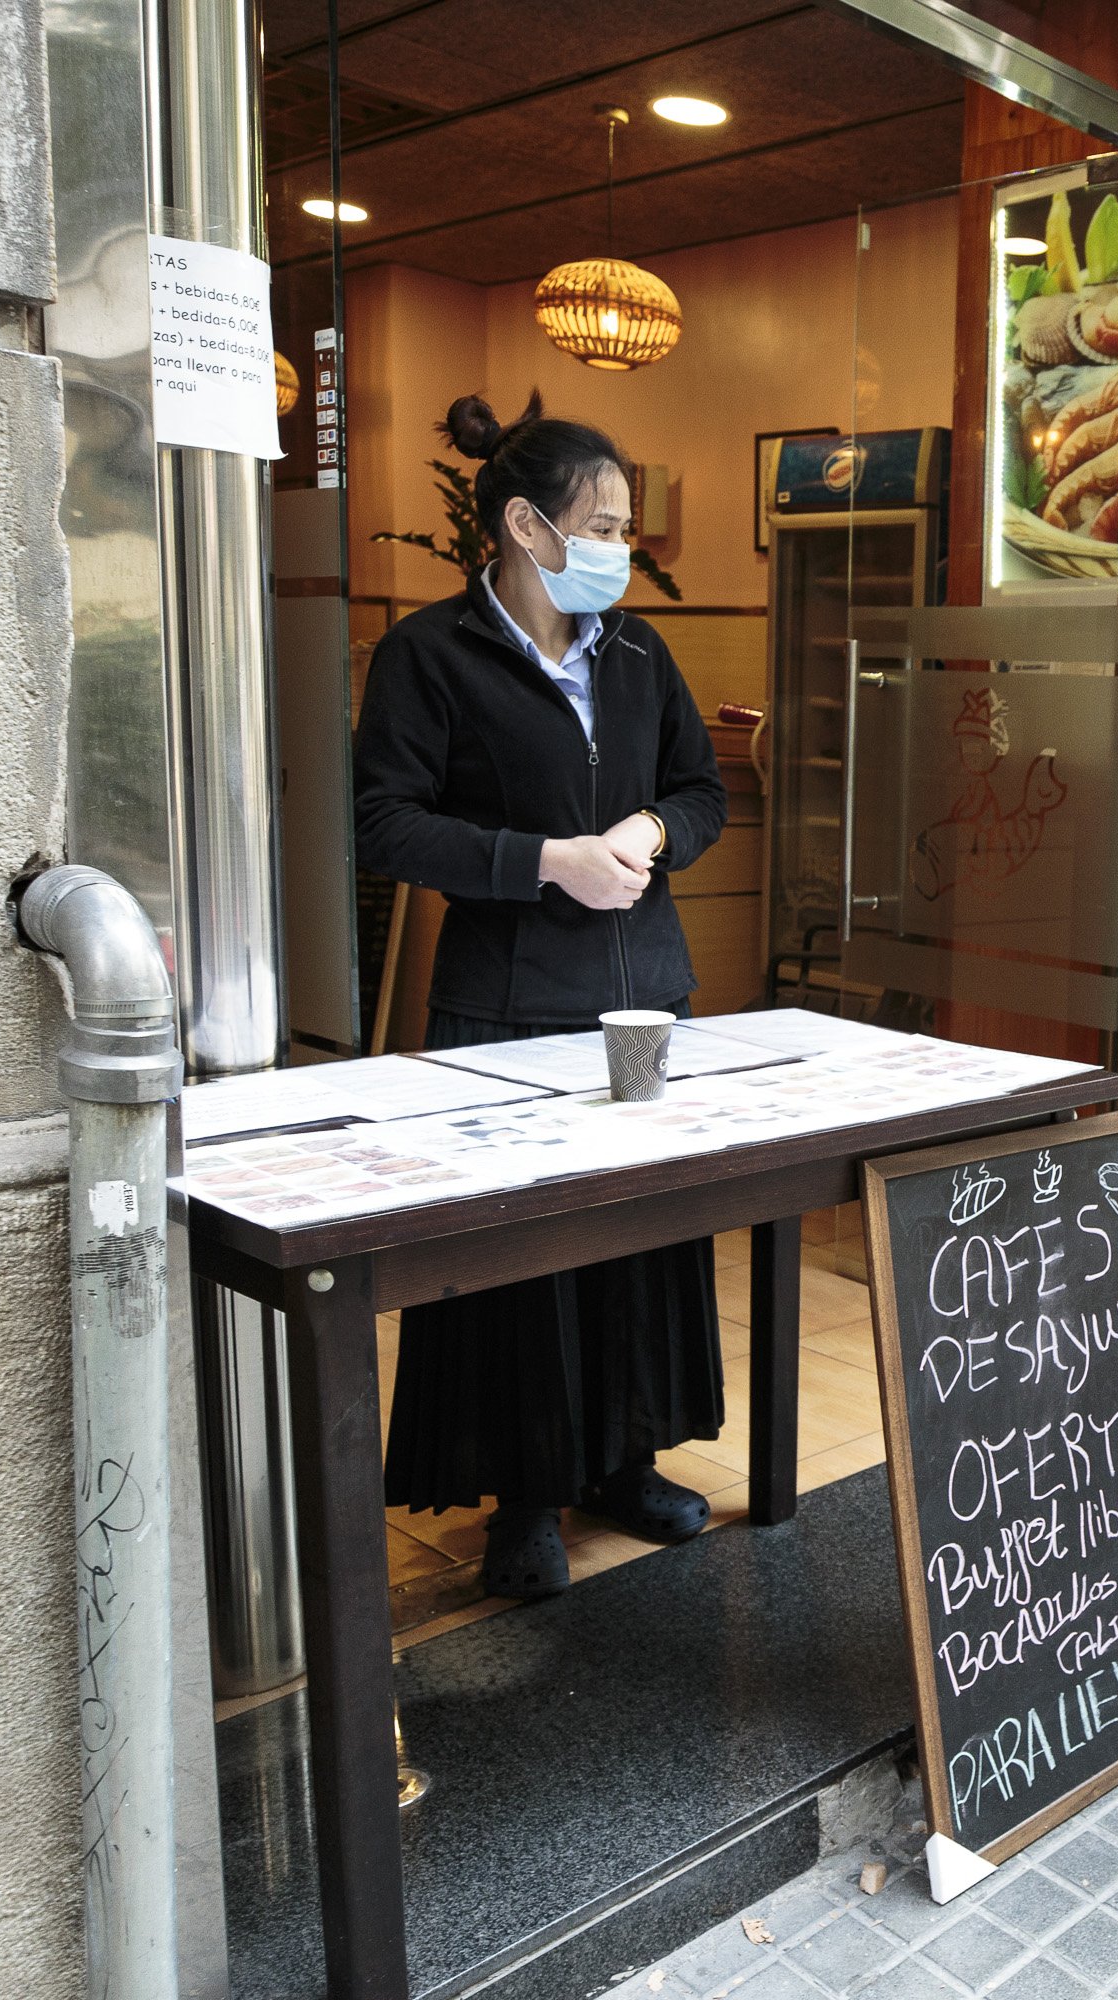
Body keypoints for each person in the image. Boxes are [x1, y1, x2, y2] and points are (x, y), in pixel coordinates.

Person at [354, 391, 728, 1597]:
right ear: (524, 524)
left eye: (627, 527)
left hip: (642, 995)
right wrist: (543, 858)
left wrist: (655, 828)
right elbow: (384, 824)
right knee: (523, 1254)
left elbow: (705, 791)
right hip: (505, 1000)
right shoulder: (429, 655)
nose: (624, 546)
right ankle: (525, 1493)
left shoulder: (640, 654)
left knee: (641, 1239)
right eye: (604, 523)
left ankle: (627, 1460)